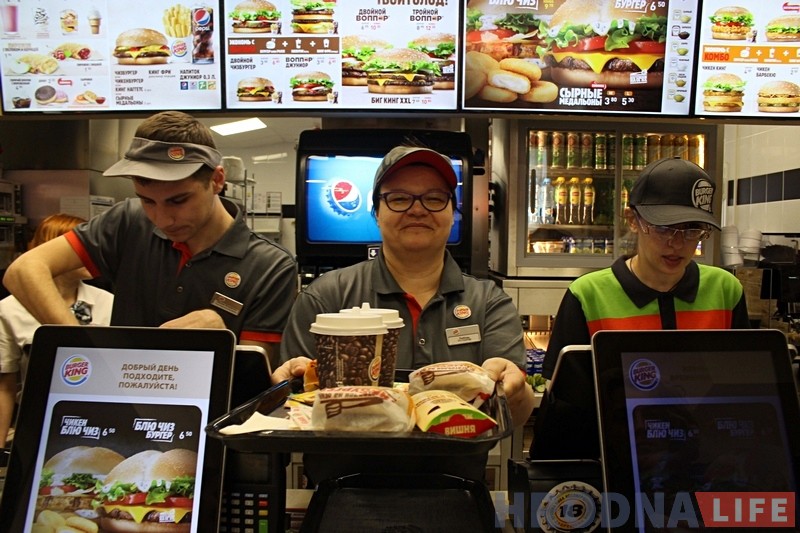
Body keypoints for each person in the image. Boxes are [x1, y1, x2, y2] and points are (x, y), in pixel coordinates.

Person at [275, 142, 534, 483]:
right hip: (342, 494)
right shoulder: (326, 296)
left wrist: (514, 391)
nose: (417, 210)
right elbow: (290, 408)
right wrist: (284, 390)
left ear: (452, 212)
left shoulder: (487, 302)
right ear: (376, 213)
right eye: (399, 198)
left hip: (457, 494)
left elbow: (514, 415)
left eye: (434, 198)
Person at [2, 111, 297, 368]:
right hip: (123, 404)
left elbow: (258, 375)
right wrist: (81, 347)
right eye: (147, 201)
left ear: (217, 180)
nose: (162, 219)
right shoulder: (128, 221)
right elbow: (24, 271)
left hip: (211, 421)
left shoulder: (270, 265)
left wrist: (222, 341)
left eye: (178, 201)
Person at [533, 156, 750, 459]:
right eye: (663, 228)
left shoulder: (726, 291)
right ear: (632, 220)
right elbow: (566, 408)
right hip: (614, 461)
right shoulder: (588, 294)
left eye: (692, 230)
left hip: (706, 459)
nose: (677, 244)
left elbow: (741, 391)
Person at [0, 214, 114, 445]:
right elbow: (5, 386)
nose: (92, 257)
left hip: (101, 416)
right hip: (37, 420)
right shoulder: (9, 309)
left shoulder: (109, 302)